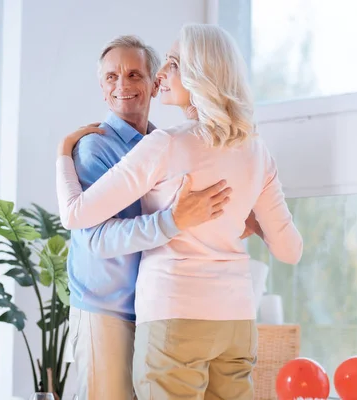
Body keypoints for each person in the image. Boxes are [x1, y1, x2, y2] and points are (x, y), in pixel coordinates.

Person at [56, 24, 303, 400]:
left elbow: (75, 214)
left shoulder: (165, 144)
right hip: (231, 318)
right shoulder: (256, 151)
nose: (159, 76)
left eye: (170, 65)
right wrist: (250, 222)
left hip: (172, 310)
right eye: (111, 76)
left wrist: (61, 155)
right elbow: (291, 251)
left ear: (197, 74)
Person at [64, 35, 233, 400]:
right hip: (104, 311)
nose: (122, 85)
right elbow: (96, 238)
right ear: (102, 88)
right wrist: (174, 220)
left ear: (155, 83)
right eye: (111, 77)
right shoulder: (96, 147)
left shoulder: (166, 145)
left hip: (151, 310)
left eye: (134, 75)